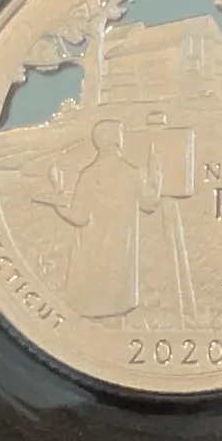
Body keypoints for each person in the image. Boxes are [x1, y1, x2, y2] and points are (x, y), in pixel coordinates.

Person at [40, 118, 157, 319]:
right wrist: (155, 178)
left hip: (91, 259)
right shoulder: (134, 173)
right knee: (119, 308)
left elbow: (79, 217)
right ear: (116, 139)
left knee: (91, 308)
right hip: (122, 261)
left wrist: (57, 205)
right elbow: (149, 204)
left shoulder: (89, 174)